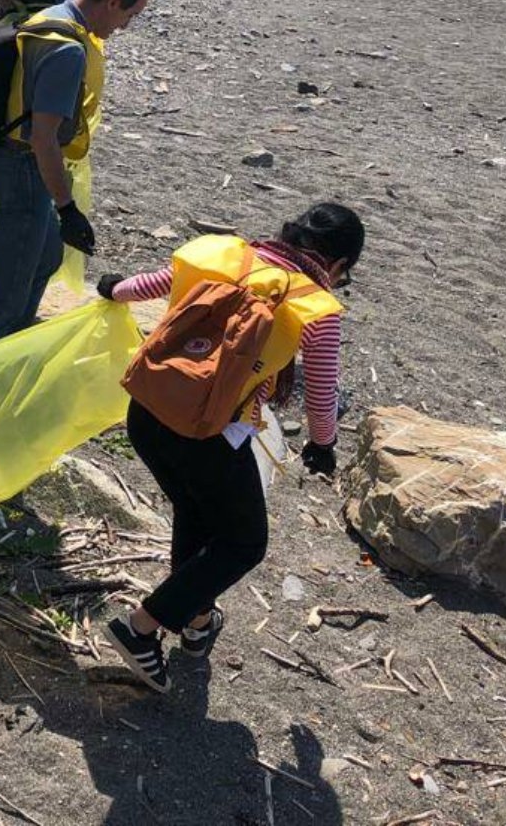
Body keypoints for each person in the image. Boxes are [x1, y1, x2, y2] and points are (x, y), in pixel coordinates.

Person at [96, 203, 365, 692]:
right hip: (207, 432)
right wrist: (323, 446)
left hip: (148, 410)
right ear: (338, 265)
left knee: (197, 512)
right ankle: (138, 629)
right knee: (243, 543)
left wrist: (113, 288)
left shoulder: (229, 255)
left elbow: (156, 282)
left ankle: (196, 622)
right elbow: (322, 394)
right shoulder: (314, 306)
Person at [0, 0, 148, 357]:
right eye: (130, 15)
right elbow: (43, 139)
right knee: (4, 291)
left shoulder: (53, 14)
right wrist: (68, 209)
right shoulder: (67, 51)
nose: (126, 26)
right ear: (113, 2)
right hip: (19, 170)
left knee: (45, 257)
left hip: (13, 163)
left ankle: (5, 354)